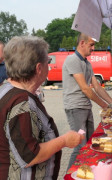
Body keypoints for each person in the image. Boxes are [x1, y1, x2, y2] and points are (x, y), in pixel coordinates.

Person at [0, 36, 84, 179]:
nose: (49, 66)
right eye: (48, 62)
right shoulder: (21, 103)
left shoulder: (6, 88)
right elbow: (30, 156)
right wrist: (64, 140)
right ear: (39, 68)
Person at [62, 33, 112, 170]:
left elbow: (97, 87)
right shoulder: (72, 60)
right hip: (75, 108)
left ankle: (85, 172)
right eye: (91, 44)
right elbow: (86, 89)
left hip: (85, 107)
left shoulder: (87, 63)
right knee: (80, 145)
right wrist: (105, 105)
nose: (93, 48)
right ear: (82, 43)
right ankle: (68, 175)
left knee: (90, 143)